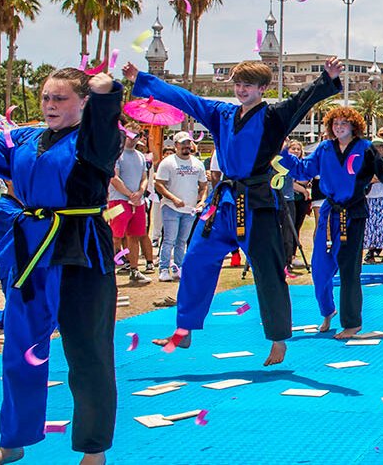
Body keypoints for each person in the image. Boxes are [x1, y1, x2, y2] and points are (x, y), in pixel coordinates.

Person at [0, 69, 123, 465]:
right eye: (46, 97)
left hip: (81, 252)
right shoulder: (25, 138)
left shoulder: (97, 139)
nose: (50, 105)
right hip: (31, 252)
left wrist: (107, 94)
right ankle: (12, 440)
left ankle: (93, 449)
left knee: (88, 353)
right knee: (20, 350)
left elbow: (104, 134)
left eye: (61, 99)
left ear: (83, 102)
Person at [128, 57, 343, 366]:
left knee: (268, 272)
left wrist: (327, 77)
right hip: (224, 202)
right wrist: (144, 80)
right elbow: (186, 99)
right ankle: (184, 329)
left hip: (258, 203)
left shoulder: (274, 116)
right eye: (238, 85)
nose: (241, 90)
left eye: (248, 85)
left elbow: (302, 99)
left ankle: (279, 340)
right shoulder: (222, 114)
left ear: (262, 88)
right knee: (195, 259)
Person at [278, 106, 383, 340]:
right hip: (329, 212)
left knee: (349, 269)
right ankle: (327, 310)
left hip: (354, 213)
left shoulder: (365, 148)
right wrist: (283, 152)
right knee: (320, 266)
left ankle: (352, 323)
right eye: (335, 123)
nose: (339, 126)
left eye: (344, 122)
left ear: (354, 126)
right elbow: (304, 169)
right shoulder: (324, 148)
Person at [153, 132, 208, 281]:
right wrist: (173, 198)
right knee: (169, 239)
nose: (186, 146)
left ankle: (178, 267)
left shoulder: (197, 163)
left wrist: (202, 201)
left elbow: (203, 186)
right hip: (171, 207)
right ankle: (164, 269)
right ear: (176, 145)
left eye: (188, 143)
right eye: (183, 143)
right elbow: (159, 184)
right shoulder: (168, 162)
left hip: (189, 209)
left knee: (182, 240)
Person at [109, 131, 153, 283]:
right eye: (128, 135)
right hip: (117, 201)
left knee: (135, 235)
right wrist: (129, 194)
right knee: (115, 235)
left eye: (135, 136)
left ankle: (134, 269)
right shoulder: (116, 154)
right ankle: (113, 267)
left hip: (137, 202)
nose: (131, 139)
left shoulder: (140, 156)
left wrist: (140, 192)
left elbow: (145, 178)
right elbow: (114, 178)